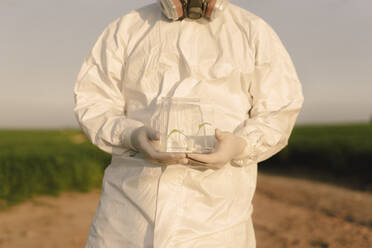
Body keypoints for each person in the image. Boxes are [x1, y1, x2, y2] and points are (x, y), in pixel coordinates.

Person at [73, 0, 304, 247]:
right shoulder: (127, 28)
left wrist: (242, 145)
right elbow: (93, 101)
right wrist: (130, 136)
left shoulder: (252, 31)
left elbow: (279, 109)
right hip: (126, 218)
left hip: (218, 221)